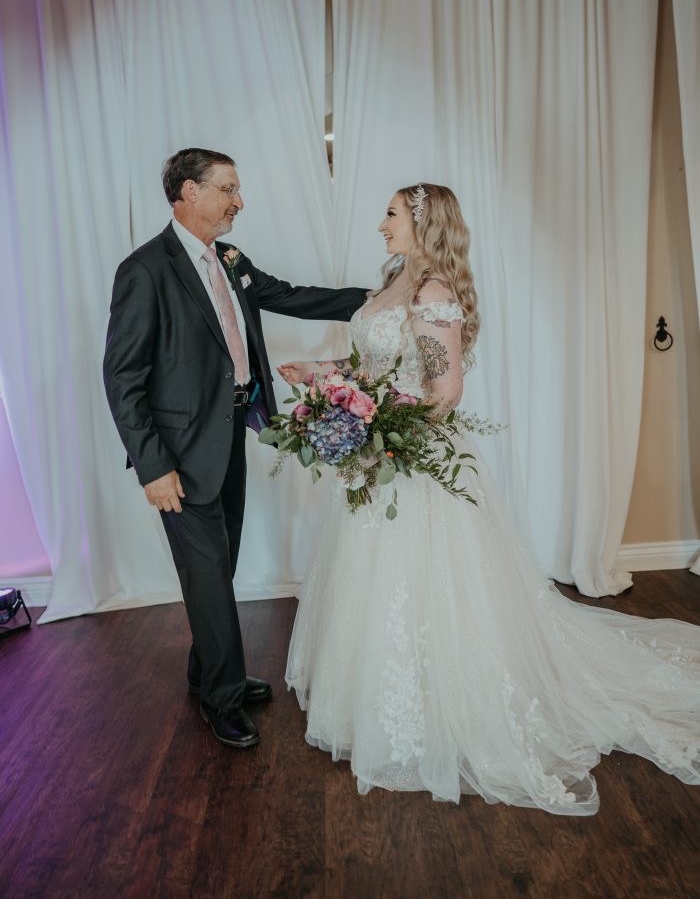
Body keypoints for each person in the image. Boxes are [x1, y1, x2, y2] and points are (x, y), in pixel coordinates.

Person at [278, 183, 700, 815]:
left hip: (415, 463)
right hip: (378, 460)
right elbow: (377, 363)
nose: (379, 225)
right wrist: (328, 378)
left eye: (390, 215)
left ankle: (443, 703)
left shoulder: (433, 293)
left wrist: (372, 418)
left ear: (422, 223)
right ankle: (372, 700)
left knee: (430, 587)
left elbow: (443, 392)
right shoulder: (393, 281)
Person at [103, 148, 366, 749]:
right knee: (209, 574)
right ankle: (220, 699)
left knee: (217, 569)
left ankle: (207, 671)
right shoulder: (144, 270)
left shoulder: (229, 257)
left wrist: (375, 301)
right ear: (187, 193)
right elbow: (122, 378)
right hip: (178, 456)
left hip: (229, 440)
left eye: (236, 189)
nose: (238, 201)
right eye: (227, 189)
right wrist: (153, 466)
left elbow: (289, 295)